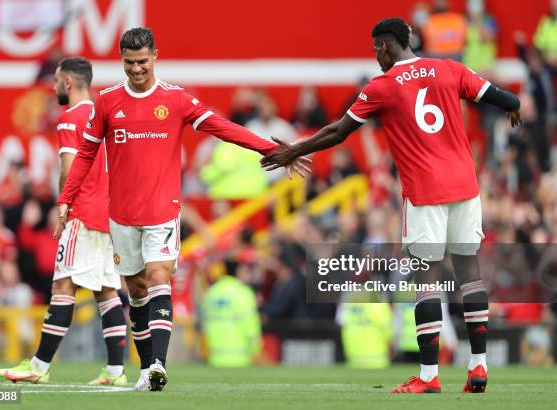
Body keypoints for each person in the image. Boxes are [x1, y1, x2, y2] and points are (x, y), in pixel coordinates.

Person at [261, 18, 522, 394]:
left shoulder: (382, 86)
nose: (376, 57)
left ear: (384, 47)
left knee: (427, 280)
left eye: (375, 49)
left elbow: (338, 131)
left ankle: (429, 377)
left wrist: (293, 149)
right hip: (466, 187)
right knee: (470, 275)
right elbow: (499, 96)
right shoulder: (450, 68)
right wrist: (513, 106)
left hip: (424, 193)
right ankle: (478, 368)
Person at [54, 27, 310, 392]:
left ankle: (158, 364)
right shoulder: (108, 102)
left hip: (163, 211)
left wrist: (271, 149)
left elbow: (223, 128)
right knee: (137, 292)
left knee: (159, 277)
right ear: (121, 61)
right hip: (122, 216)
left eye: (143, 62)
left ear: (155, 55)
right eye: (129, 63)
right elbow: (85, 155)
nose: (137, 70)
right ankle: (146, 369)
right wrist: (66, 199)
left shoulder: (175, 100)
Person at [0, 57, 128, 386]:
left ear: (68, 83)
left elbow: (70, 167)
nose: (53, 86)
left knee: (63, 287)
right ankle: (115, 372)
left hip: (83, 213)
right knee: (107, 291)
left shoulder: (70, 117)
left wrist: (64, 204)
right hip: (108, 213)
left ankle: (39, 366)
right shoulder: (104, 115)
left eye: (56, 81)